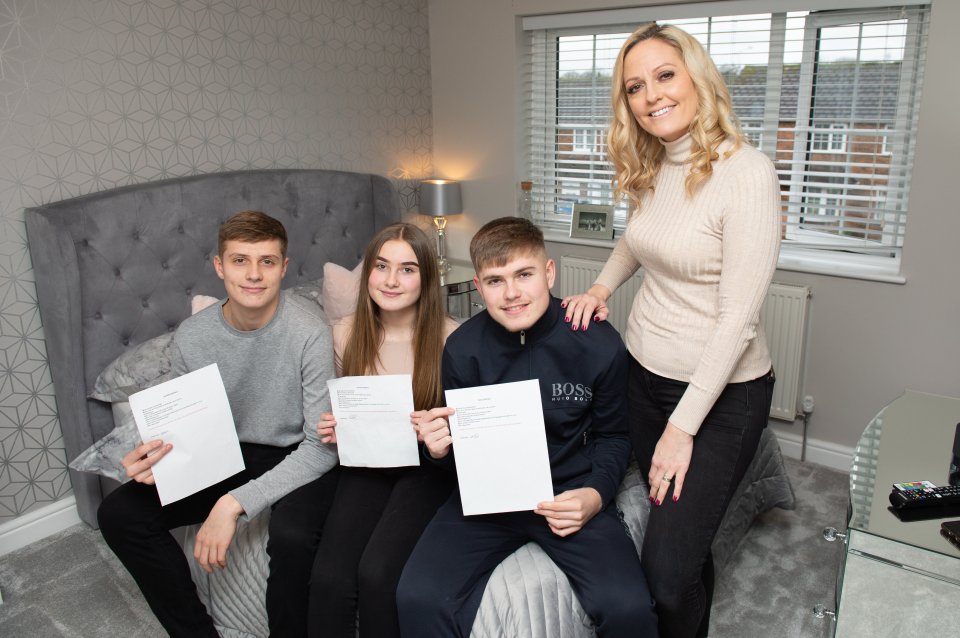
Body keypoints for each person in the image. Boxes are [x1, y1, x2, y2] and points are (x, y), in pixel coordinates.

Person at [561, 23, 781, 638]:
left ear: (696, 77)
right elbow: (638, 240)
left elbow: (737, 320)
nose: (651, 95)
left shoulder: (747, 173)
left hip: (721, 397)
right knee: (684, 547)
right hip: (644, 376)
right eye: (635, 86)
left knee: (663, 571)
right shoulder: (654, 164)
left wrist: (682, 429)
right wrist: (601, 288)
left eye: (665, 75)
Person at [396, 217, 658, 638]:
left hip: (569, 497)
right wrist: (439, 450)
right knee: (416, 597)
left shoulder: (598, 342)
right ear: (478, 289)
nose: (512, 293)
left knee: (629, 609)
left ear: (549, 273)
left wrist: (595, 495)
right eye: (495, 281)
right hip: (486, 504)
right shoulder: (462, 349)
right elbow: (460, 452)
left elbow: (614, 437)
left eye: (524, 274)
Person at [98, 211, 341, 637]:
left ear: (283, 268)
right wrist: (147, 456)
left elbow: (321, 446)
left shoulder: (308, 329)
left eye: (267, 261)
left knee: (294, 539)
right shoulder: (192, 336)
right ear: (219, 266)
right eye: (240, 260)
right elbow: (176, 423)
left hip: (297, 451)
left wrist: (231, 505)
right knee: (120, 513)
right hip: (225, 451)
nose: (253, 275)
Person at [307, 223, 459, 638]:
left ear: (427, 278)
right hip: (367, 464)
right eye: (381, 266)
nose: (391, 281)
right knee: (330, 579)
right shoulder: (344, 333)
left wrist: (442, 431)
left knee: (377, 575)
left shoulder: (453, 339)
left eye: (407, 269)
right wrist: (332, 424)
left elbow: (464, 429)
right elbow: (335, 408)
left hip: (427, 471)